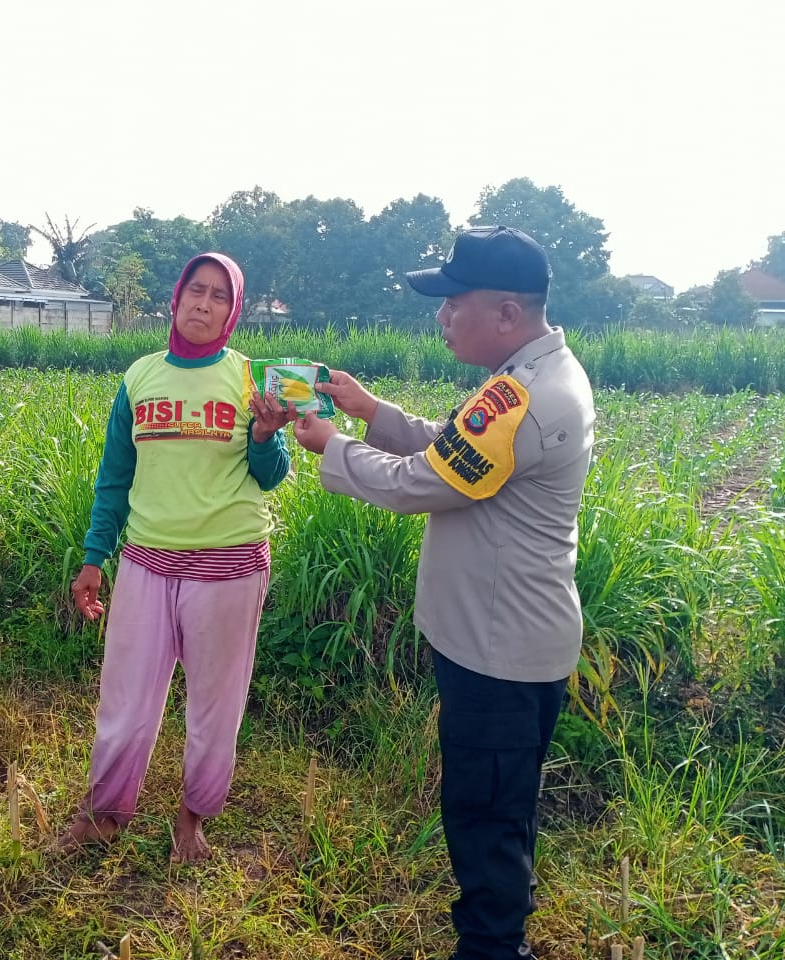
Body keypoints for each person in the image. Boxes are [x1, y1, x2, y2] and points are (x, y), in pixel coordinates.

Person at [293, 226, 595, 959]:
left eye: (453, 302)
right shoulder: (528, 377)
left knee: (484, 817)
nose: (442, 316)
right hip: (506, 642)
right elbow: (451, 445)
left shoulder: (526, 395)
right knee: (500, 809)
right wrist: (371, 412)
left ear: (505, 313)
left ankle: (492, 948)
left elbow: (422, 483)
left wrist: (333, 446)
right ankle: (501, 931)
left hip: (500, 653)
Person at [58, 252, 293, 863]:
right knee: (125, 699)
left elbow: (273, 476)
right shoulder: (140, 377)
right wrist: (94, 557)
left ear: (232, 311)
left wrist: (266, 437)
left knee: (215, 703)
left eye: (219, 296)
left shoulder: (250, 380)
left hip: (229, 563)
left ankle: (193, 820)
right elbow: (115, 477)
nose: (204, 303)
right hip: (145, 561)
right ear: (176, 298)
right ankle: (105, 813)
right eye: (196, 290)